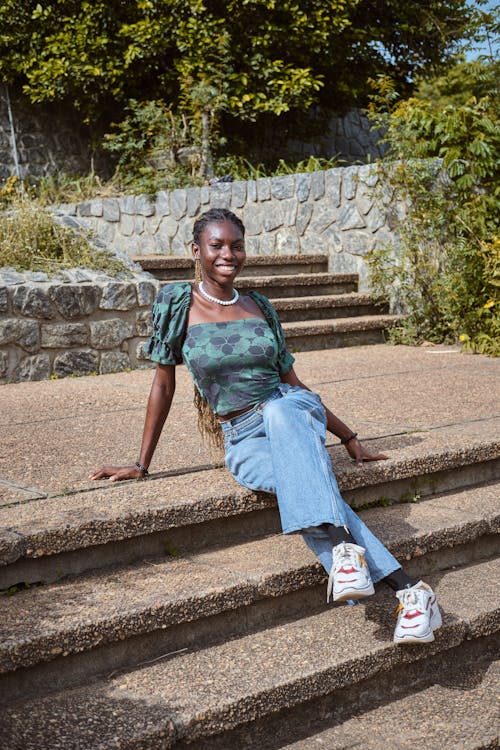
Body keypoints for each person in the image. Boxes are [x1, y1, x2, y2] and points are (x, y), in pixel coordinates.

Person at [90, 208, 442, 645]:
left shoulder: (259, 305)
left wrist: (347, 437)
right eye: (216, 245)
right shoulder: (177, 303)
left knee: (280, 411)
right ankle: (410, 591)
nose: (227, 254)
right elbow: (162, 386)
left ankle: (351, 563)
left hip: (289, 412)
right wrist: (141, 464)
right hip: (241, 438)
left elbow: (292, 382)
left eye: (236, 245)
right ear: (196, 250)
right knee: (304, 489)